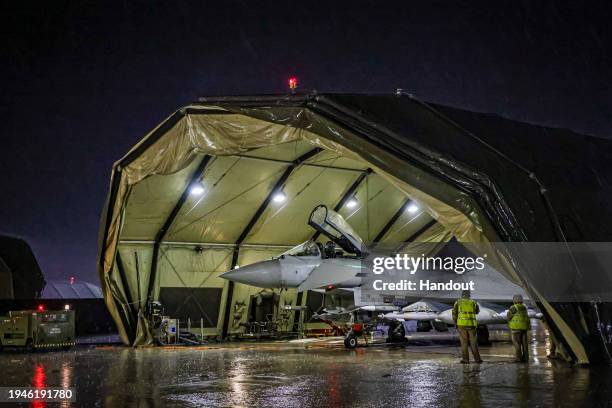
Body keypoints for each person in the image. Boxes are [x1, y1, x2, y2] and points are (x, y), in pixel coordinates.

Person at [453, 289, 482, 364]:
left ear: (462, 295)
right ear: (469, 295)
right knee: (473, 343)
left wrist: (455, 324)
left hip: (461, 325)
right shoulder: (473, 302)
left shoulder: (458, 302)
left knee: (464, 343)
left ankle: (466, 360)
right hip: (472, 325)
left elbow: (454, 314)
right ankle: (477, 359)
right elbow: (477, 312)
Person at [507, 294, 530, 363]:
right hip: (524, 328)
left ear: (514, 300)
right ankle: (526, 358)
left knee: (517, 343)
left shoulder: (514, 307)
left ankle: (518, 358)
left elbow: (509, 316)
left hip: (516, 328)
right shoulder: (524, 307)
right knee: (524, 344)